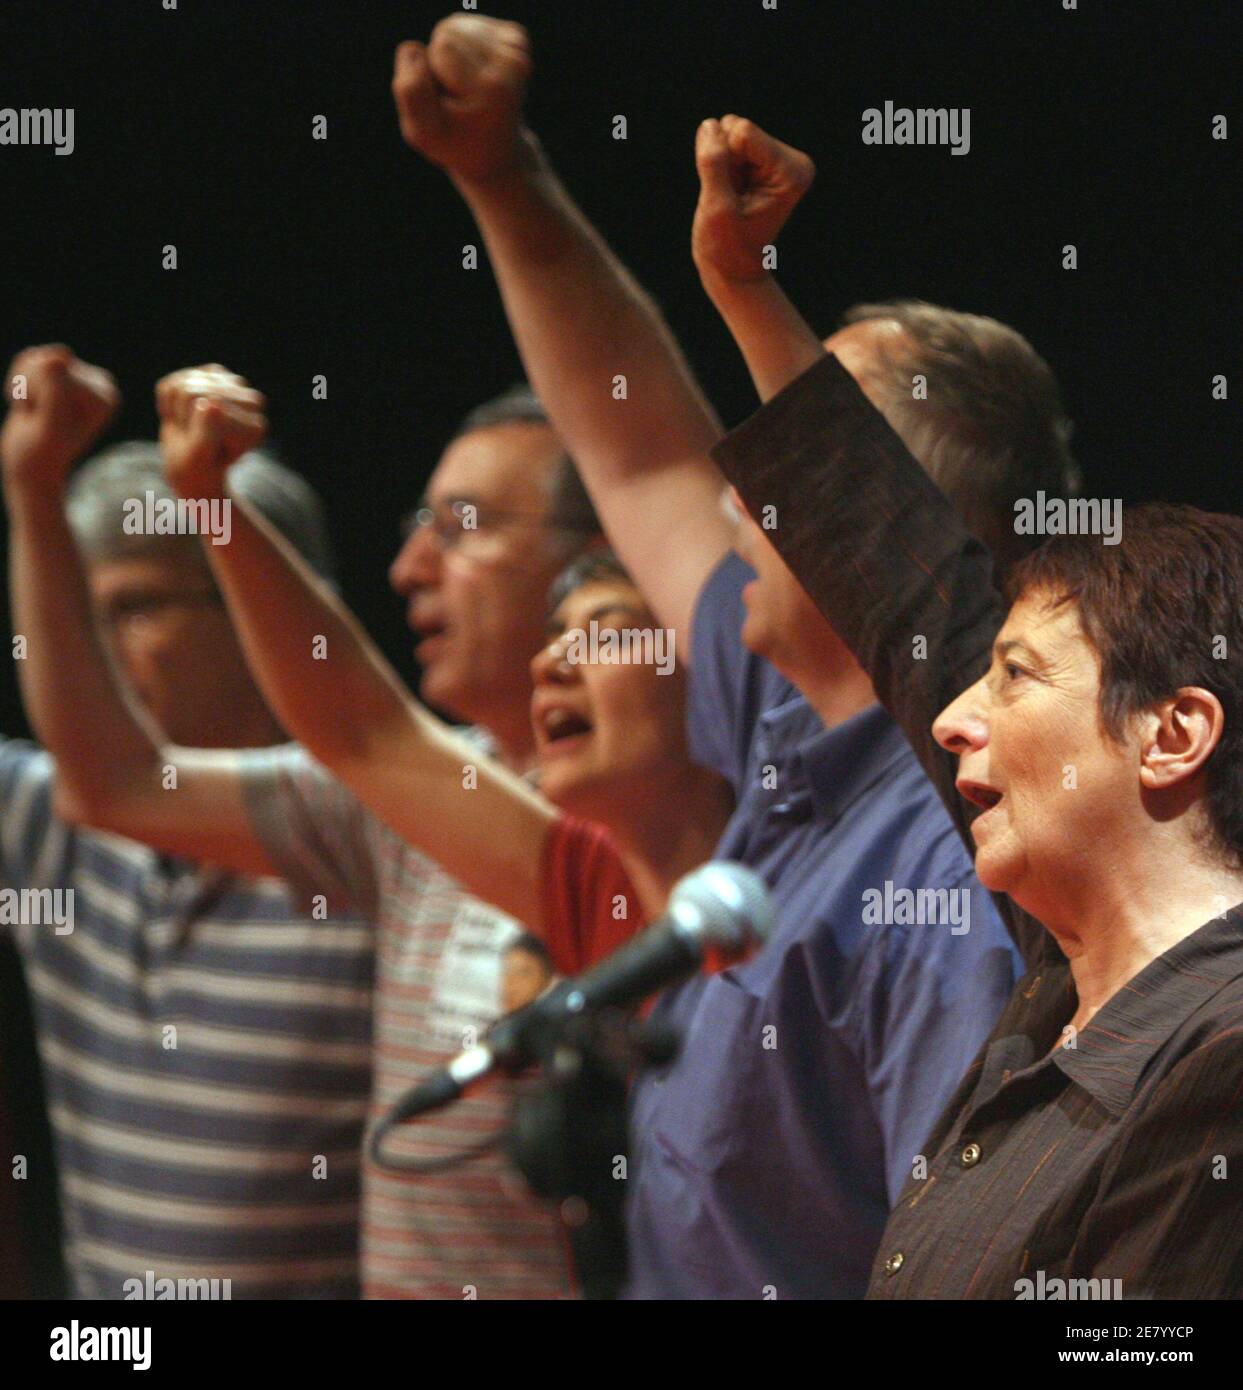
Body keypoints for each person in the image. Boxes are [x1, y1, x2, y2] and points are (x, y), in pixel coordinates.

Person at [389, 13, 1069, 1298]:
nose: (743, 486)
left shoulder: (947, 864)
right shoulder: (784, 709)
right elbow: (634, 444)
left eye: (793, 454)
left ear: (874, 520)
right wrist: (499, 172)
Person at [697, 122, 1243, 1299]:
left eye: (1014, 677)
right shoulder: (1071, 984)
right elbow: (889, 562)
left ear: (1170, 733)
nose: (950, 718)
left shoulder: (1222, 1055)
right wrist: (743, 290)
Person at [62, 358, 731, 1297]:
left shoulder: (790, 893)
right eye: (554, 636)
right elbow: (360, 731)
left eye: (605, 629)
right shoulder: (585, 877)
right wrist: (206, 501)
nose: (554, 665)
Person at [0, 345, 373, 1298]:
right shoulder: (46, 824)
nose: (83, 651)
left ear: (258, 610)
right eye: (74, 615)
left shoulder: (373, 837)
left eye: (127, 609)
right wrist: (30, 483)